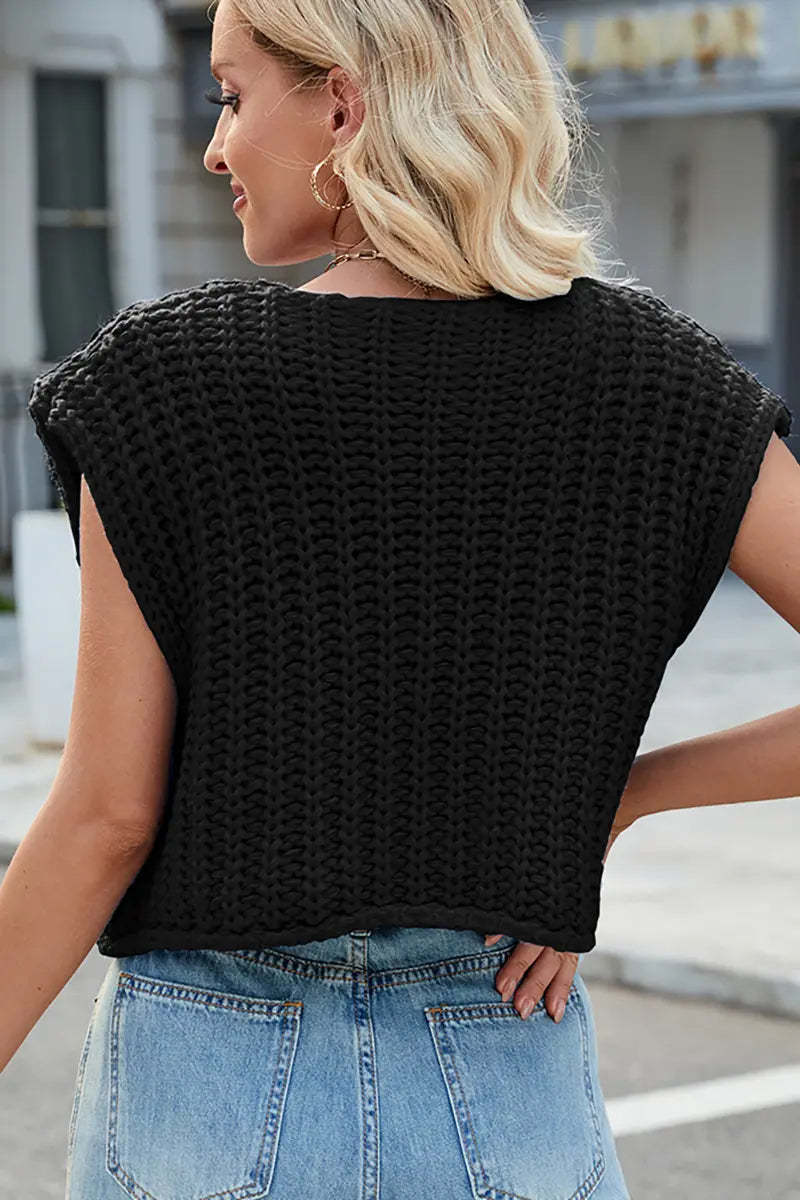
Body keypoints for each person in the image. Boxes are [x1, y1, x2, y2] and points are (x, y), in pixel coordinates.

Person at [3, 0, 799, 1196]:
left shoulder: (163, 383)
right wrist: (620, 798)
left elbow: (108, 819)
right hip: (502, 1066)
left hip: (208, 1082)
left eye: (230, 96)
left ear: (343, 103)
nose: (215, 148)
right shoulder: (658, 380)